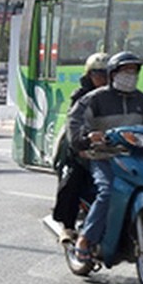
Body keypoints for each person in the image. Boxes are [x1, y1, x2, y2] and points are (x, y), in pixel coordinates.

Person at [69, 51, 143, 264]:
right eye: (125, 71)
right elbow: (75, 123)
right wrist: (88, 137)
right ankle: (86, 239)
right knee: (107, 192)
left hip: (137, 158)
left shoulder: (142, 101)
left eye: (133, 71)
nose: (129, 76)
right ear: (113, 74)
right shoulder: (96, 98)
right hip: (104, 157)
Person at [51, 52, 109, 240]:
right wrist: (82, 142)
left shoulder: (120, 96)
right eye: (97, 74)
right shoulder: (81, 97)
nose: (101, 79)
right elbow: (74, 124)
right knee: (73, 178)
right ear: (89, 76)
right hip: (85, 147)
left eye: (106, 74)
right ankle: (67, 225)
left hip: (111, 148)